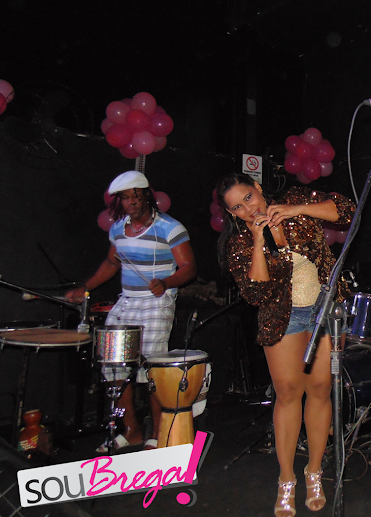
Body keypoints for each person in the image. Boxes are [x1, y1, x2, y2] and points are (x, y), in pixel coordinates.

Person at [216, 172, 355, 517]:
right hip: (283, 317)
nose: (248, 208)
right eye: (237, 207)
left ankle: (314, 471)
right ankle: (286, 478)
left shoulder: (294, 201)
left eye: (248, 197)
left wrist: (295, 210)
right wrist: (258, 240)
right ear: (232, 214)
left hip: (324, 309)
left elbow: (346, 210)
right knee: (289, 392)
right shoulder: (239, 243)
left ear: (258, 188)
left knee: (320, 389)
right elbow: (257, 293)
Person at [66, 170, 196, 452]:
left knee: (152, 368)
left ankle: (157, 433)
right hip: (127, 301)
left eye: (136, 196)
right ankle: (132, 430)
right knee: (113, 366)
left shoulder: (170, 228)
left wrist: (166, 282)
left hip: (157, 302)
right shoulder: (117, 229)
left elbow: (188, 268)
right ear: (119, 202)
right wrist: (85, 288)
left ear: (147, 196)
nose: (132, 202)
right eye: (125, 198)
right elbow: (112, 263)